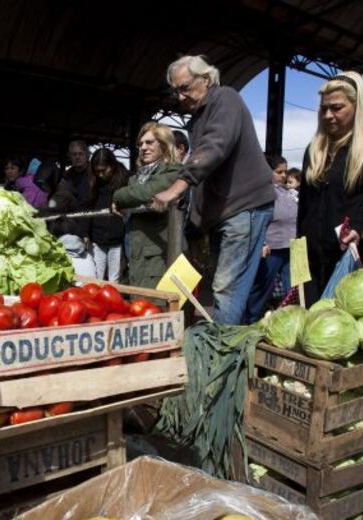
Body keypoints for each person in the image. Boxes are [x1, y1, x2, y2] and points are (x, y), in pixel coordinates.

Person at [151, 55, 274, 324]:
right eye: (175, 91)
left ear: (205, 79)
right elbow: (206, 181)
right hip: (226, 214)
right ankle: (227, 345)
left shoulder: (225, 99)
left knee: (227, 289)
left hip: (245, 206)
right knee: (225, 287)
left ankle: (221, 359)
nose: (180, 97)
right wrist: (194, 227)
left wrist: (175, 189)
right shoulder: (198, 120)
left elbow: (214, 148)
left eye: (184, 88)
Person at [297, 72, 363, 304]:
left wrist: (361, 227)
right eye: (323, 108)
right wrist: (297, 262)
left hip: (354, 257)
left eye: (337, 108)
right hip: (310, 262)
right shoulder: (314, 149)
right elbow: (304, 209)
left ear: (357, 107)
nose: (328, 115)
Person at [112, 122, 182, 289]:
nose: (143, 147)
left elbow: (147, 192)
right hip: (136, 257)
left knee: (160, 309)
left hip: (160, 258)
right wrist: (125, 199)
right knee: (140, 306)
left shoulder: (174, 170)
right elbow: (136, 193)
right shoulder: (135, 179)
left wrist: (117, 196)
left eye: (150, 142)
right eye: (140, 144)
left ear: (164, 145)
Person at [247, 156, 296, 322]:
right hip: (272, 248)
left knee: (291, 288)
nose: (283, 175)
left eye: (285, 172)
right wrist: (262, 243)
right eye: (279, 172)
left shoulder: (286, 192)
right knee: (262, 288)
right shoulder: (261, 193)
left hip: (290, 247)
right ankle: (250, 321)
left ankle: (286, 321)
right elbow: (256, 222)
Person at [48, 140, 94, 277]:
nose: (77, 157)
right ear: (70, 157)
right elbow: (61, 200)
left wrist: (87, 233)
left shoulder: (95, 173)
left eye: (80, 154)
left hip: (95, 225)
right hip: (77, 227)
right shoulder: (67, 177)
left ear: (87, 155)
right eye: (74, 154)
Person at [86, 148, 129, 282]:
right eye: (97, 171)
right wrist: (86, 234)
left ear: (112, 166)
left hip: (118, 239)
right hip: (97, 238)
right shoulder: (93, 183)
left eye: (103, 170)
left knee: (114, 280)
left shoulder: (126, 180)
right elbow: (88, 209)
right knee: (97, 277)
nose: (100, 174)